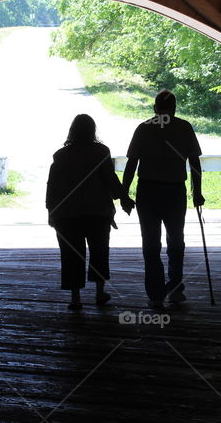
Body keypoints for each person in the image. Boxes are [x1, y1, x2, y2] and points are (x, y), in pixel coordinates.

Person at [122, 89, 204, 310]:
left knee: (150, 244)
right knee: (176, 242)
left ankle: (156, 295)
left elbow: (131, 163)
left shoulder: (143, 128)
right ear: (174, 108)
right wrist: (197, 192)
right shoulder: (184, 127)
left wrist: (124, 193)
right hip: (175, 192)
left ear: (154, 108)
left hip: (147, 191)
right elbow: (194, 163)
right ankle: (176, 289)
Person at [46, 114, 134, 310]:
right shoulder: (101, 152)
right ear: (93, 131)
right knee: (99, 251)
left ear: (72, 131)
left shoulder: (60, 156)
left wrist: (50, 210)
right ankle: (99, 293)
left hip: (67, 215)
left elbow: (52, 186)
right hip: (98, 213)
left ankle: (75, 298)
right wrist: (124, 199)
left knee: (71, 254)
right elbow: (110, 179)